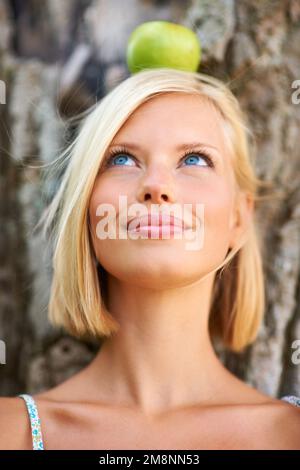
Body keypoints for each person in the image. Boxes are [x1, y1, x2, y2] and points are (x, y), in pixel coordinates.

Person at [0, 68, 299, 450]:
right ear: (87, 209)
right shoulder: (11, 433)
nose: (156, 186)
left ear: (239, 219)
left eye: (194, 159)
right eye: (122, 159)